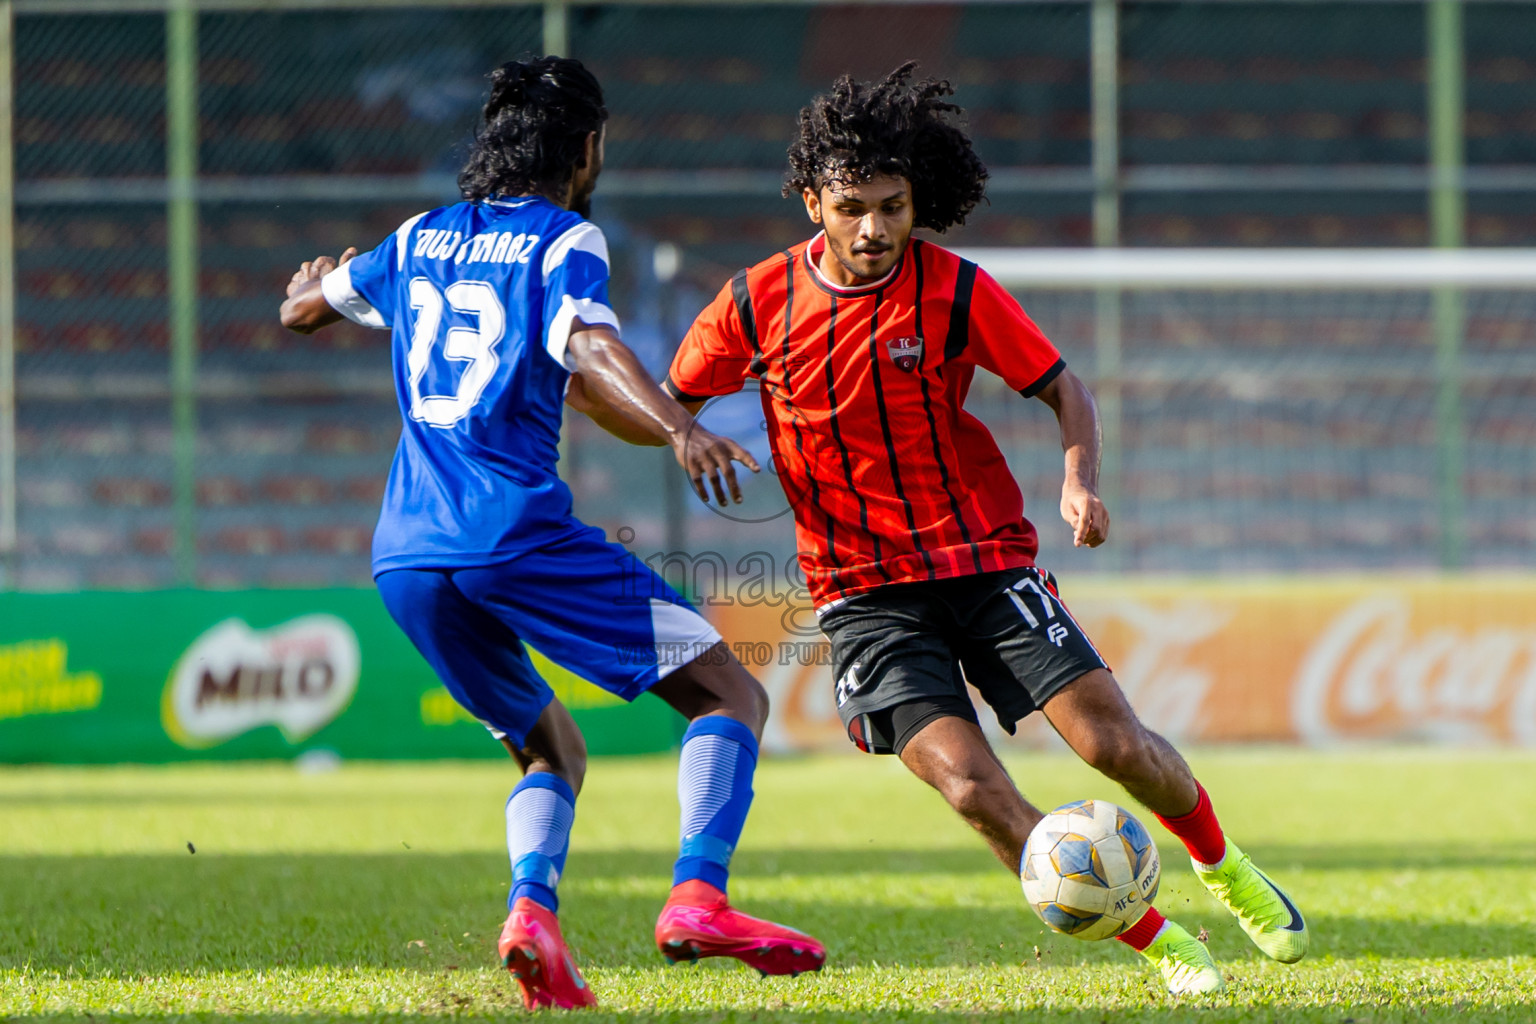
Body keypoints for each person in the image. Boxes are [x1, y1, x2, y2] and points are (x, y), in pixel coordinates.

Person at [664, 63, 1308, 996]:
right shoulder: (755, 303)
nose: (877, 229)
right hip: (861, 596)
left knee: (1114, 747)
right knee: (972, 788)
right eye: (853, 207)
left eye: (894, 205)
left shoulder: (956, 289)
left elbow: (1062, 387)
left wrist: (1078, 479)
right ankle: (1163, 944)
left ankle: (1226, 866)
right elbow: (660, 396)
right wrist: (681, 431)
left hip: (981, 562)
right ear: (814, 202)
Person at [278, 56, 824, 1011]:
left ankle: (533, 918)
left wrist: (315, 284)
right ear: (587, 147)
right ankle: (699, 896)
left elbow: (303, 313)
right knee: (727, 689)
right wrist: (681, 427)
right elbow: (591, 345)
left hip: (405, 555)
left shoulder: (416, 237)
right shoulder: (564, 238)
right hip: (512, 533)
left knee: (549, 749)